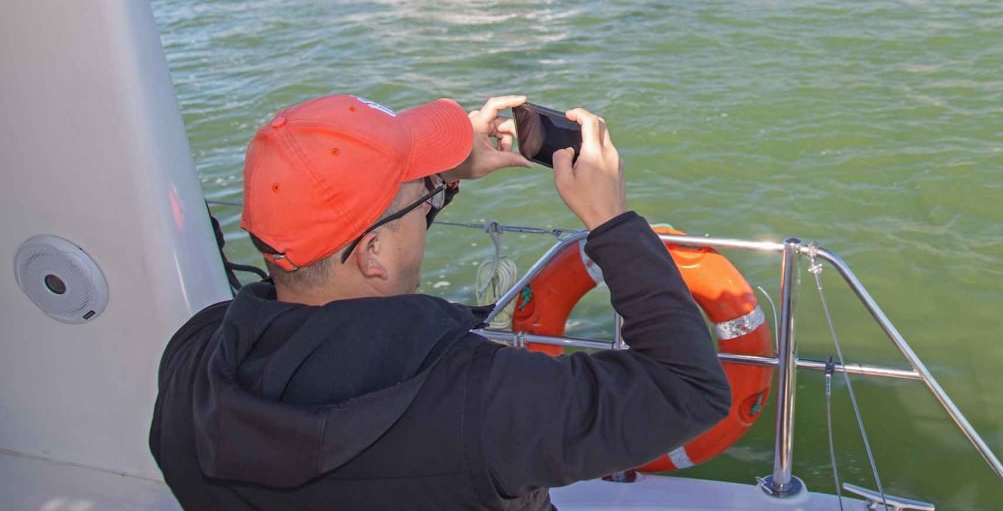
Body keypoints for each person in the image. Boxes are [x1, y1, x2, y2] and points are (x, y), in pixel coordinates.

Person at [149, 93, 731, 511]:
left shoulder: (191, 368)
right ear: (373, 253)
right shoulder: (485, 403)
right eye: (419, 198)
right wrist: (611, 221)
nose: (429, 200)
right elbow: (689, 389)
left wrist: (436, 178)